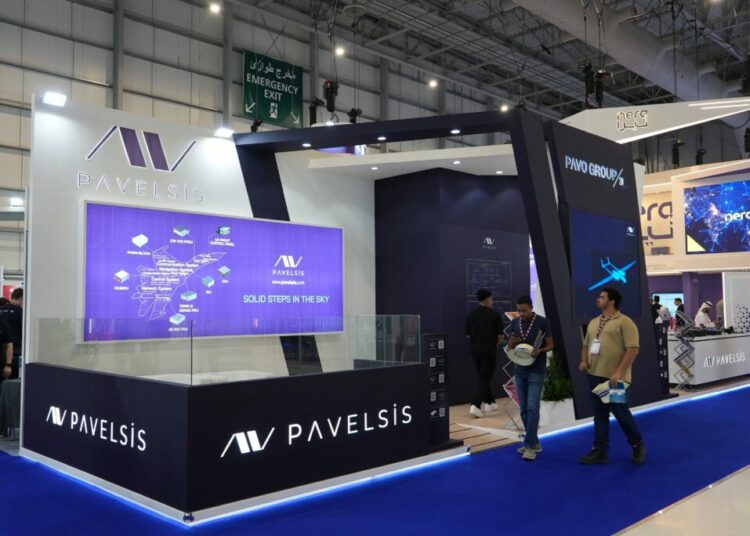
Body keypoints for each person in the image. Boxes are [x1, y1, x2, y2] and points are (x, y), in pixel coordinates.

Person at [579, 287, 646, 465]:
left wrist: (619, 372)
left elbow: (633, 349)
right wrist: (584, 361)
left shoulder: (625, 322)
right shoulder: (593, 322)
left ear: (612, 301)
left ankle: (637, 444)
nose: (597, 299)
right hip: (594, 376)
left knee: (620, 412)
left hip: (615, 380)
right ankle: (600, 450)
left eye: (601, 297)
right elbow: (585, 346)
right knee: (599, 415)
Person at [507, 295, 554, 461]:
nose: (521, 314)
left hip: (536, 370)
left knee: (533, 407)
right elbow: (509, 347)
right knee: (524, 409)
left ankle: (529, 446)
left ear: (531, 308)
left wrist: (540, 350)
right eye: (519, 310)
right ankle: (534, 442)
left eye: (524, 310)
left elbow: (551, 344)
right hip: (520, 370)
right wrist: (511, 342)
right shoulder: (515, 322)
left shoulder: (542, 322)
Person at [465, 288, 504, 418]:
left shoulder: (471, 315)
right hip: (488, 349)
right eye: (491, 298)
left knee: (483, 376)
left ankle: (489, 402)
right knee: (486, 377)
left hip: (474, 349)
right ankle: (475, 405)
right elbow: (500, 336)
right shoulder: (495, 315)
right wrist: (493, 343)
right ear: (488, 299)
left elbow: (468, 335)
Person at [0, 288, 22, 379]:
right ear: (20, 299)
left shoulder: (1, 309)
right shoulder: (20, 312)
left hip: (2, 353)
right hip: (16, 352)